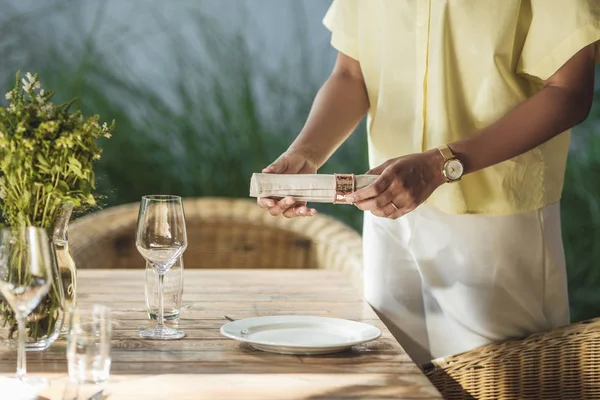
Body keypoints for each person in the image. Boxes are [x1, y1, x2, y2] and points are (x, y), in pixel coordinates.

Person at [257, 0, 600, 365]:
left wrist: (439, 166)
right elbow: (352, 75)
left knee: (498, 384)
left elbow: (569, 91)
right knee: (396, 383)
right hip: (389, 220)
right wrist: (306, 154)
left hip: (495, 225)